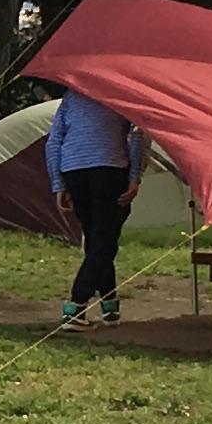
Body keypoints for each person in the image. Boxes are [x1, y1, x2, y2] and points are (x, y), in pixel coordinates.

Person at [48, 87, 142, 328]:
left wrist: (58, 184)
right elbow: (138, 134)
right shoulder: (124, 90)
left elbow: (54, 140)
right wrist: (134, 177)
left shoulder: (72, 95)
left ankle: (110, 304)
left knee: (96, 237)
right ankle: (76, 305)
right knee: (104, 240)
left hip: (73, 170)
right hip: (110, 168)